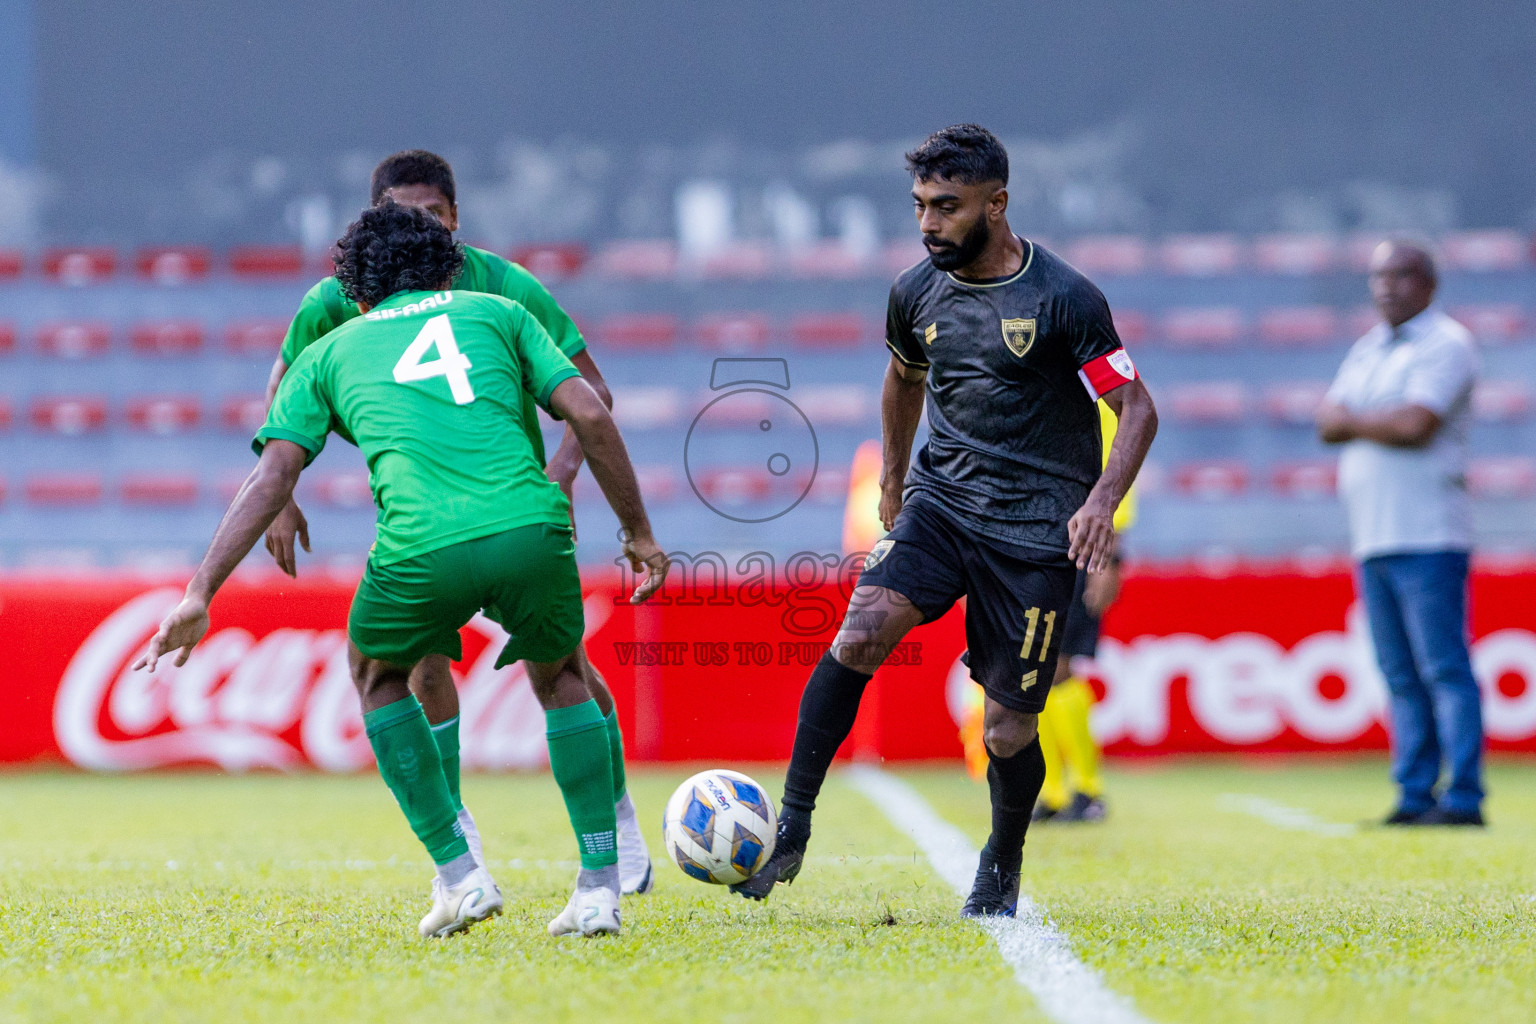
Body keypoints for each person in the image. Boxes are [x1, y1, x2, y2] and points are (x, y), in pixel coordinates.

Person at [135, 202, 670, 939]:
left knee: (376, 671)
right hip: (531, 526)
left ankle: (460, 873)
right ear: (445, 264)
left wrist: (200, 591)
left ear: (355, 292)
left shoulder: (331, 349)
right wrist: (638, 532)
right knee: (561, 676)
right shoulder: (498, 309)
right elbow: (592, 412)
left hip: (421, 549)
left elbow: (272, 476)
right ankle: (600, 886)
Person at [733, 125, 1157, 915]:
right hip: (943, 503)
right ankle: (791, 828)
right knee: (860, 631)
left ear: (996, 204)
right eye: (921, 206)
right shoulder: (914, 290)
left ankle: (1003, 856)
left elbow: (1135, 407)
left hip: (1036, 533)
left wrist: (1100, 505)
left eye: (947, 207)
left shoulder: (1064, 298)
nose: (928, 224)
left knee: (1005, 729)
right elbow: (902, 376)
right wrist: (895, 478)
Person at [263, 150, 655, 897]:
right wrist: (284, 495)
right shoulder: (337, 297)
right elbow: (284, 382)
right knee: (420, 664)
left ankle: (617, 820)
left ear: (456, 218)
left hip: (511, 493)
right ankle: (459, 835)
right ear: (375, 223)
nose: (419, 229)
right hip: (417, 500)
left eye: (432, 216)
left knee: (556, 663)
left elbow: (591, 390)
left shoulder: (503, 287)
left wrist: (562, 473)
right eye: (401, 217)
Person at [1316, 238, 1484, 827]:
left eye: (1402, 275)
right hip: (1374, 536)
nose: (1387, 286)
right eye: (1379, 276)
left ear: (1429, 283)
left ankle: (1463, 796)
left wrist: (1355, 421)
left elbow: (1416, 423)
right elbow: (1324, 422)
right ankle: (1415, 794)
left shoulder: (1447, 343)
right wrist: (1371, 421)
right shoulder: (1369, 347)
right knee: (1400, 674)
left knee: (1442, 667)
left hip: (1430, 533)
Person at [1033, 401, 1136, 823]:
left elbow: (1120, 474)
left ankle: (1087, 791)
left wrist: (1111, 557)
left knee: (1058, 668)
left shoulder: (1099, 396)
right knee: (1034, 670)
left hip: (1080, 544)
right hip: (1033, 543)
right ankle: (1053, 793)